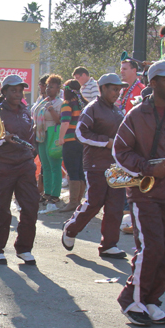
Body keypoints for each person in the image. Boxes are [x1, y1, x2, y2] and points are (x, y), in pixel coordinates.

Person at [114, 60, 165, 326]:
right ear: (153, 83)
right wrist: (148, 168)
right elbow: (120, 151)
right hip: (143, 192)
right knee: (151, 247)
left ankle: (152, 300)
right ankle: (131, 299)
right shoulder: (136, 115)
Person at [62, 73, 128, 259]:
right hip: (95, 164)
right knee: (94, 203)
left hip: (116, 166)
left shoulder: (117, 111)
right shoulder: (92, 109)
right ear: (103, 88)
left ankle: (109, 245)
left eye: (119, 89)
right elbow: (81, 134)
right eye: (114, 89)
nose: (117, 93)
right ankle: (71, 228)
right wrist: (105, 141)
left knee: (115, 206)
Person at [0, 74, 39, 266]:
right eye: (13, 90)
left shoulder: (25, 112)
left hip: (25, 164)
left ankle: (24, 248)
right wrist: (2, 138)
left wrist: (31, 158)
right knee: (2, 208)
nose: (17, 93)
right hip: (2, 165)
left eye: (20, 90)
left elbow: (30, 138)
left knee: (31, 206)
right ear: (4, 92)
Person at [57, 80, 86, 213]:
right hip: (82, 141)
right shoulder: (83, 104)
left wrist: (61, 138)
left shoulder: (67, 104)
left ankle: (73, 202)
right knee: (80, 172)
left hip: (70, 141)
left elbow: (65, 122)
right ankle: (79, 201)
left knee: (72, 172)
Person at [38, 75, 64, 211]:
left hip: (53, 134)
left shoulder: (60, 103)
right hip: (42, 134)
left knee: (55, 165)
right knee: (45, 165)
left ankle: (55, 194)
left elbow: (60, 120)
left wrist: (51, 109)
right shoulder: (42, 100)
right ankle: (47, 192)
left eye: (52, 87)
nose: (48, 89)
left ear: (58, 88)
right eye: (47, 86)